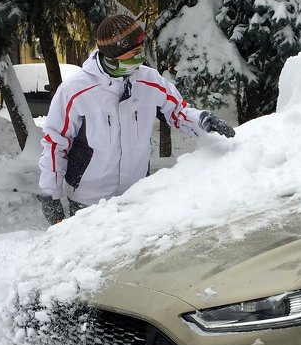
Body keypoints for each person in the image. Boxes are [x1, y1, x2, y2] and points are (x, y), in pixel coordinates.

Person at [37, 14, 235, 224]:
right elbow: (55, 143)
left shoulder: (149, 80)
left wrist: (202, 120)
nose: (140, 58)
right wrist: (50, 194)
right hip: (88, 201)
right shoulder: (75, 91)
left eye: (141, 51)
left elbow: (178, 111)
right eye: (134, 53)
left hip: (136, 196)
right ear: (115, 53)